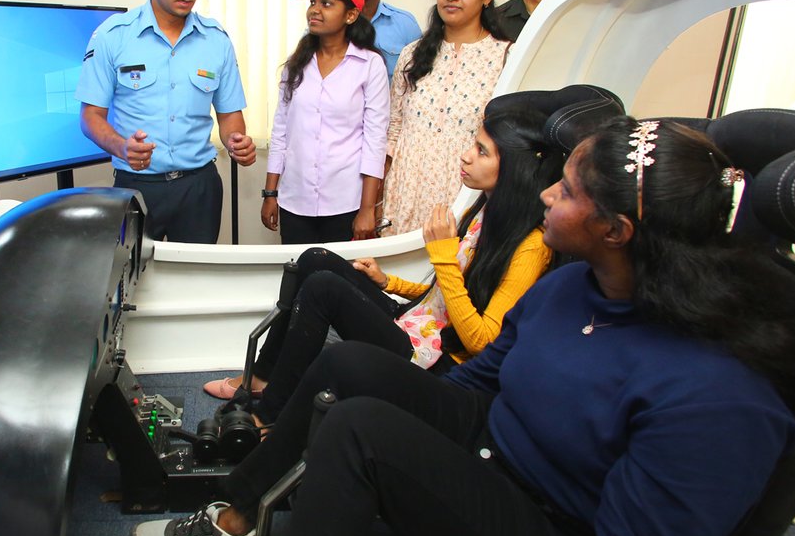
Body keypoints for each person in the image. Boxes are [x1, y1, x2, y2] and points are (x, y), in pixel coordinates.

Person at [133, 116, 795, 536]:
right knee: (349, 368)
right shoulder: (574, 283)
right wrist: (409, 420)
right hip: (493, 445)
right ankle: (236, 514)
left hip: (548, 535)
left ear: (615, 229)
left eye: (566, 190)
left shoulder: (715, 398)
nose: (544, 193)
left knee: (361, 427)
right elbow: (479, 382)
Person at [206, 104, 561, 426]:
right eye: (473, 144)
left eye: (482, 152)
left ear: (516, 167)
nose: (466, 156)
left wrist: (442, 256)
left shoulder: (530, 245)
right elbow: (444, 296)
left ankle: (268, 417)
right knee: (315, 259)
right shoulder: (487, 210)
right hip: (420, 324)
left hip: (436, 359)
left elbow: (483, 341)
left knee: (323, 289)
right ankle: (263, 376)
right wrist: (388, 281)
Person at [75, 0, 256, 243]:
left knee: (197, 284)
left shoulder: (216, 41)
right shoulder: (113, 37)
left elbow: (231, 118)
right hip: (138, 186)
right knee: (133, 286)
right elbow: (90, 118)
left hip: (199, 188)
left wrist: (237, 143)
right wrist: (121, 145)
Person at [381, 0, 511, 235]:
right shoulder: (412, 54)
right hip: (407, 191)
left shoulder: (505, 57)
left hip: (463, 192)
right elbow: (395, 126)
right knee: (396, 278)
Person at [260, 0, 389, 245]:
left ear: (351, 14)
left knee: (339, 285)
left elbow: (375, 141)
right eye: (313, 2)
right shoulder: (295, 65)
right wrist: (271, 194)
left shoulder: (370, 65)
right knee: (298, 282)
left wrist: (368, 209)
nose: (315, 9)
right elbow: (281, 133)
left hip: (345, 203)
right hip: (295, 202)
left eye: (327, 3)